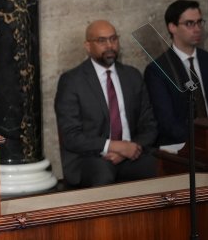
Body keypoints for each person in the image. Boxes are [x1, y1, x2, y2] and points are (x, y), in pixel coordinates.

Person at [54, 20, 158, 188]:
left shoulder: (132, 76)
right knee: (102, 172)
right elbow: (71, 136)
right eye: (102, 41)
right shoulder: (72, 81)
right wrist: (114, 146)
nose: (110, 45)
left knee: (158, 166)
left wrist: (127, 150)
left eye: (113, 39)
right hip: (90, 158)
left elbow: (150, 126)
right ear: (88, 46)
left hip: (130, 153)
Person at [144, 0, 208, 146]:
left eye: (199, 22)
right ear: (172, 27)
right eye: (189, 24)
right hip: (182, 145)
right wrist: (200, 142)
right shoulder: (158, 70)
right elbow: (167, 122)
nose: (197, 28)